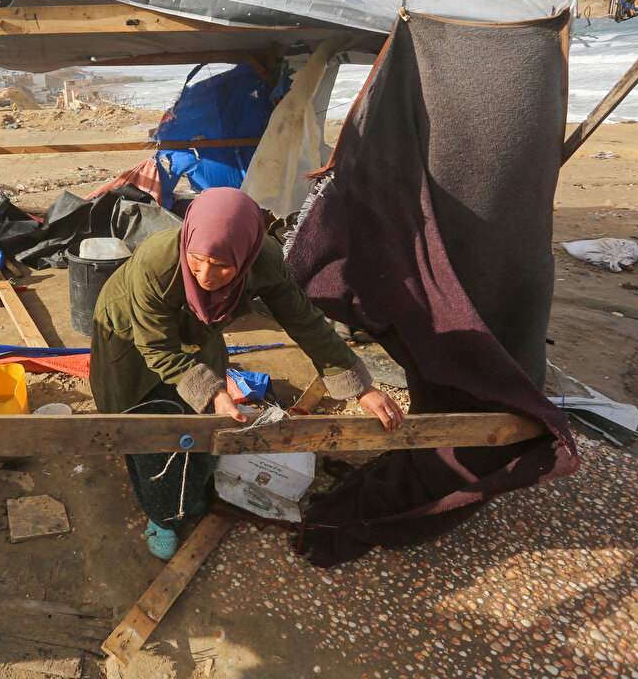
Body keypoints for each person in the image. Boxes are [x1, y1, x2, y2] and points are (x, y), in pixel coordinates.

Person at [89, 187, 404, 559]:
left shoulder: (265, 260)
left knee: (205, 421)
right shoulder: (156, 263)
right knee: (150, 424)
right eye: (198, 259)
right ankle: (163, 514)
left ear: (248, 254)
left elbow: (304, 321)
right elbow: (156, 346)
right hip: (132, 334)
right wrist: (213, 392)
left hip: (199, 332)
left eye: (223, 266)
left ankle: (192, 484)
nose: (207, 275)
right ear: (187, 240)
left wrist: (359, 387)